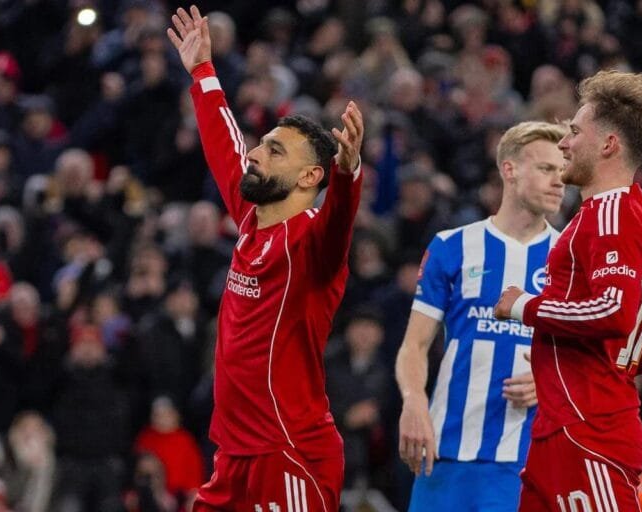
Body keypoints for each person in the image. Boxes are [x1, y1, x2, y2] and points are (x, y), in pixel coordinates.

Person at [166, 5, 364, 511]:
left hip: (289, 451)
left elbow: (339, 223)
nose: (255, 154)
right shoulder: (253, 220)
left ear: (309, 177)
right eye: (262, 146)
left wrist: (347, 175)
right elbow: (224, 145)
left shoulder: (312, 244)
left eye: (275, 151)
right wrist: (203, 71)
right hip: (234, 452)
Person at [494, 70, 642, 512]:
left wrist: (525, 306)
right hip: (562, 426)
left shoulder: (611, 217)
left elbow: (614, 311)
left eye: (574, 131)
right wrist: (611, 365)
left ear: (608, 145)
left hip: (589, 430)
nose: (564, 143)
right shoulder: (635, 218)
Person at [395, 120, 567, 511]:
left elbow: (594, 358)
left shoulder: (570, 258)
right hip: (444, 451)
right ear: (510, 169)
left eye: (562, 170)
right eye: (546, 168)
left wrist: (551, 381)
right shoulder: (452, 246)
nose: (559, 181)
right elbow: (414, 345)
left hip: (525, 460)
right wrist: (414, 401)